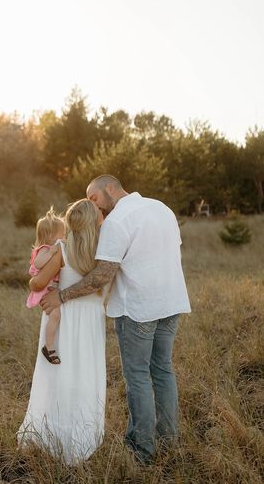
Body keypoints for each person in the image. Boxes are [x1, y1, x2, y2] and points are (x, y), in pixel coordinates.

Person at [40, 175, 191, 464]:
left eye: (94, 199)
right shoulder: (161, 208)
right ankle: (170, 442)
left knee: (138, 377)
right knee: (163, 371)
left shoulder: (117, 221)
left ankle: (141, 450)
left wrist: (62, 295)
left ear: (110, 189)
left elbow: (102, 276)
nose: (94, 207)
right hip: (171, 302)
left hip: (138, 309)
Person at [18, 199, 108, 465]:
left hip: (64, 316)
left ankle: (52, 434)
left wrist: (35, 275)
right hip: (91, 320)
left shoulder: (62, 250)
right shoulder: (105, 251)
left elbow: (38, 284)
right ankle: (83, 437)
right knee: (85, 372)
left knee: (58, 372)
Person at [26, 208, 65, 364]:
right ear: (50, 236)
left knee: (55, 316)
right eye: (61, 234)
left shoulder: (52, 247)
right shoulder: (44, 249)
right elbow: (38, 263)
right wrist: (51, 252)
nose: (64, 236)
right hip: (44, 288)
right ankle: (49, 347)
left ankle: (50, 344)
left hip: (50, 286)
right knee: (55, 316)